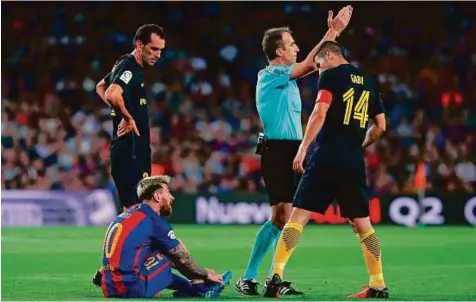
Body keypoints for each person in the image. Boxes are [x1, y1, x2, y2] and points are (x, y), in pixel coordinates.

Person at [235, 6, 353, 297]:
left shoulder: (285, 76)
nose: (297, 47)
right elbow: (312, 63)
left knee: (281, 218)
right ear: (279, 51)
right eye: (291, 44)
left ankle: (254, 277)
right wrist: (334, 32)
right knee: (287, 216)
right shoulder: (270, 75)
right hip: (277, 151)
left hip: (292, 150)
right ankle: (272, 278)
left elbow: (313, 64)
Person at [263, 41, 389, 299]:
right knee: (363, 225)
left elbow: (320, 113)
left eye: (319, 65)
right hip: (353, 159)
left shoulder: (331, 76)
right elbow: (380, 126)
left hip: (326, 156)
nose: (319, 70)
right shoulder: (368, 80)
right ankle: (378, 284)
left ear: (329, 55)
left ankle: (275, 277)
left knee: (298, 217)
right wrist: (358, 145)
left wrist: (302, 149)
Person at [94, 175, 232, 298]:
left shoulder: (127, 216)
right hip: (130, 289)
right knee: (171, 253)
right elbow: (182, 259)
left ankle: (194, 287)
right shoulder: (153, 221)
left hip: (110, 286)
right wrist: (205, 274)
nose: (172, 197)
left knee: (159, 252)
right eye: (168, 192)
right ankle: (199, 288)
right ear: (157, 196)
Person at [96, 24, 165, 212]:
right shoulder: (130, 68)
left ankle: (126, 242)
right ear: (139, 45)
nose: (158, 55)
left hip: (132, 148)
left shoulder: (124, 64)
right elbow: (111, 93)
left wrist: (119, 111)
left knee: (134, 210)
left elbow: (100, 86)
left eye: (161, 50)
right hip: (130, 148)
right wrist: (126, 118)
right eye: (154, 49)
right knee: (137, 210)